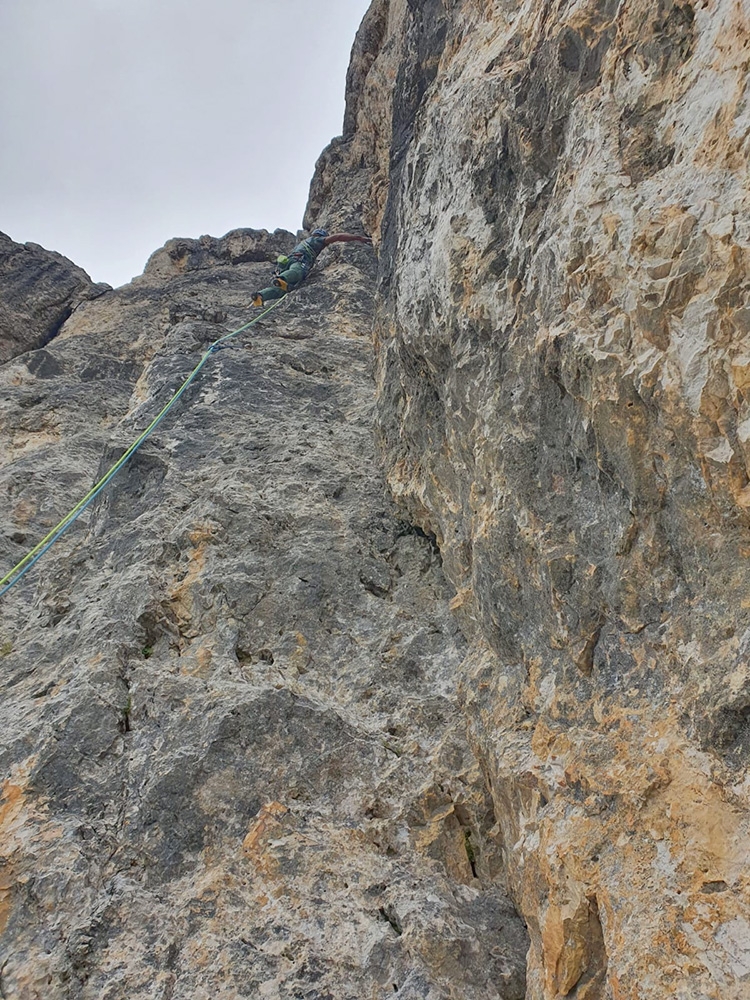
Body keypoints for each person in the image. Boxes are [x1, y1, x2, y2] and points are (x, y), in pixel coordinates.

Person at [251, 228, 372, 306]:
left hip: (286, 263)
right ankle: (283, 278)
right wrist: (358, 238)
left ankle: (261, 296)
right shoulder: (316, 240)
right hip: (298, 261)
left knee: (280, 291)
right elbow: (338, 237)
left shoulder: (302, 243)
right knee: (297, 271)